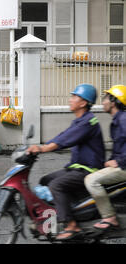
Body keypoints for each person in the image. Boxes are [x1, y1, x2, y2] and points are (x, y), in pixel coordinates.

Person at [27, 84, 105, 241]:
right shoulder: (79, 120)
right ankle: (52, 221)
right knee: (45, 180)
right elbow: (61, 136)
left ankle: (71, 225)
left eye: (74, 97)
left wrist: (42, 149)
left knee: (57, 185)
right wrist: (41, 146)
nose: (70, 100)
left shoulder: (88, 122)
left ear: (83, 103)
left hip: (88, 170)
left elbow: (64, 141)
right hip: (76, 168)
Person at [84, 85, 126, 234]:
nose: (103, 101)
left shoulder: (123, 120)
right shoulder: (117, 121)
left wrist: (120, 162)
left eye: (106, 98)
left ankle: (109, 218)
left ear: (114, 101)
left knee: (91, 181)